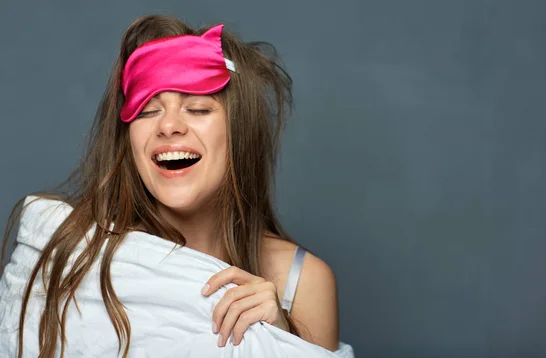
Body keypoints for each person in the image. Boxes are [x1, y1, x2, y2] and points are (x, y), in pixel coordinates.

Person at [0, 15, 353, 357]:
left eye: (198, 109)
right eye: (147, 111)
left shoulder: (303, 282)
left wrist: (277, 341)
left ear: (239, 132)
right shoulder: (73, 255)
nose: (168, 126)